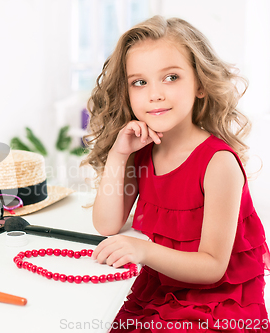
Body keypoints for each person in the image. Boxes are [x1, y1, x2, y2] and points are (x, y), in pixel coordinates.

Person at [83, 15, 270, 332]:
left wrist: (143, 250)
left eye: (170, 77)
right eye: (139, 82)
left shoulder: (218, 163)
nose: (154, 93)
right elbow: (107, 223)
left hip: (215, 301)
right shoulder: (142, 151)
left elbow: (212, 267)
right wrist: (118, 153)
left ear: (199, 85)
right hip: (161, 289)